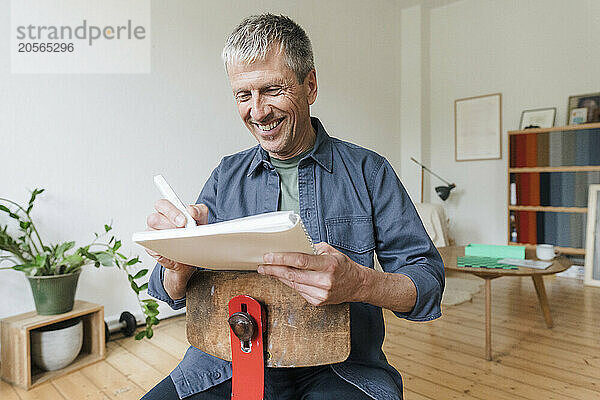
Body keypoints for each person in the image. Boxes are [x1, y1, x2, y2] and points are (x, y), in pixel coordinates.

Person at [143, 14, 444, 400]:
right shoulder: (225, 175)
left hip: (341, 369)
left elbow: (428, 283)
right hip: (228, 360)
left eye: (272, 89)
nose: (258, 111)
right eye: (243, 95)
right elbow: (170, 291)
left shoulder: (369, 170)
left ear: (310, 85)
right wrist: (179, 262)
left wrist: (361, 283)